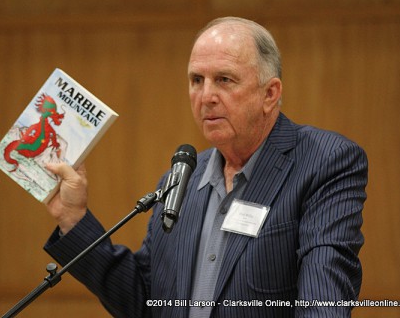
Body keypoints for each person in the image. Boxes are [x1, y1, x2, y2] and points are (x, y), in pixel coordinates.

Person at [44, 16, 368, 318]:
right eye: (196, 80)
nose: (206, 96)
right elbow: (146, 300)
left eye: (224, 80)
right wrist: (74, 219)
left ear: (270, 94)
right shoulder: (181, 179)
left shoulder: (324, 163)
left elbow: (323, 303)